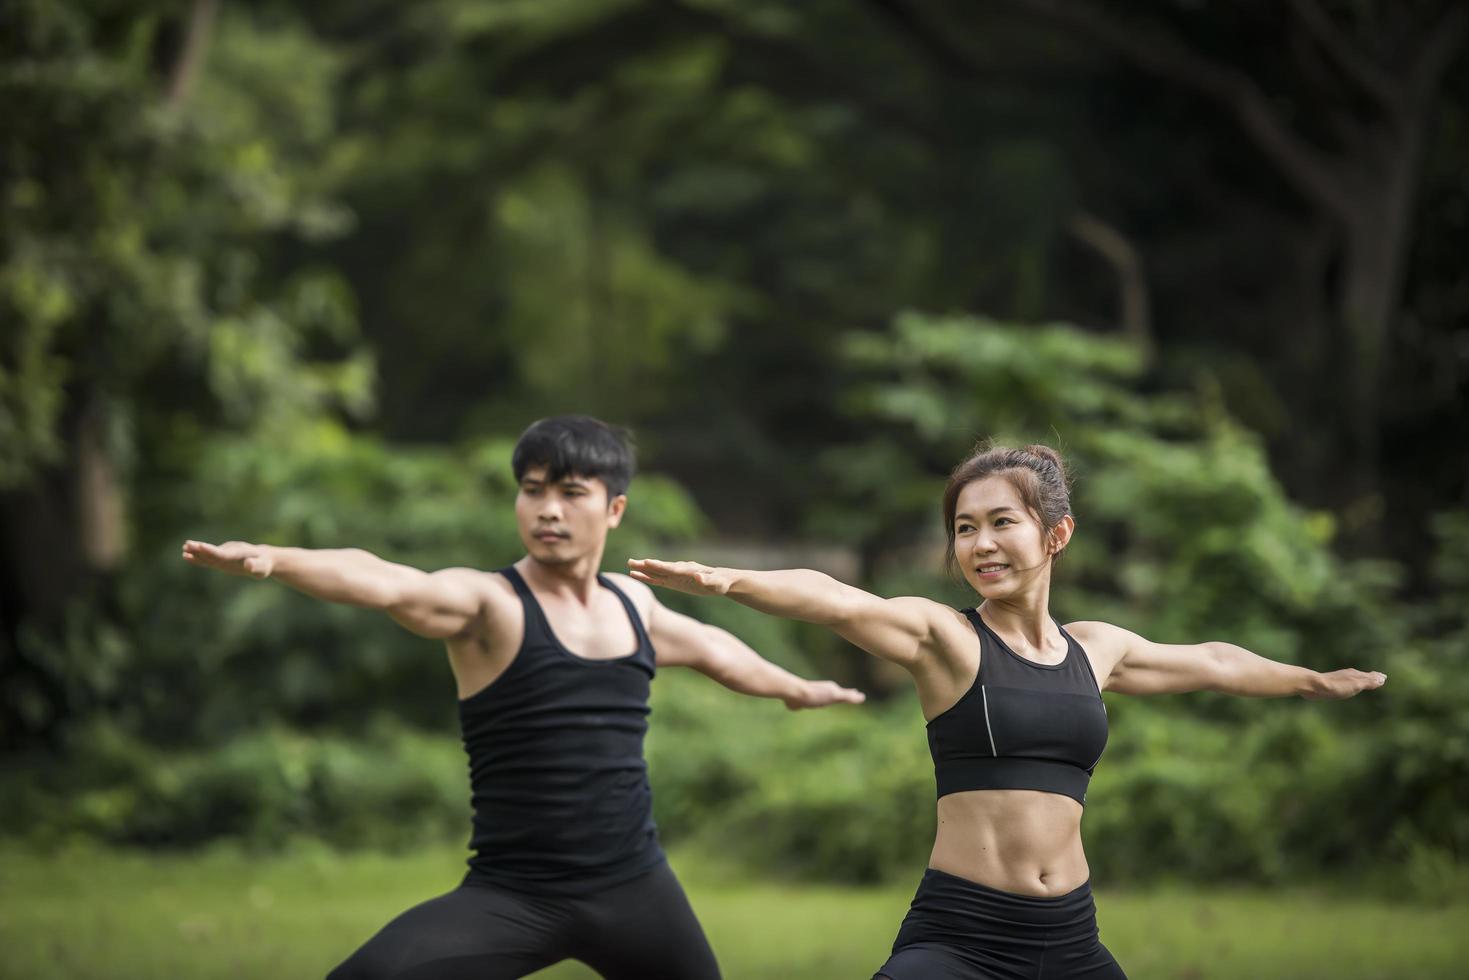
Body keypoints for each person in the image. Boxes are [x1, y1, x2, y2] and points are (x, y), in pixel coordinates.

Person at [628, 442, 1386, 980]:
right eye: (964, 528)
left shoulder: (1096, 650)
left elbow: (1216, 661)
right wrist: (728, 580)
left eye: (1000, 523)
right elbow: (836, 600)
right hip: (960, 937)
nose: (980, 544)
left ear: (1054, 535)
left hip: (1071, 938)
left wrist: (1310, 681)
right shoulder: (947, 643)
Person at [182, 415, 864, 980]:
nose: (547, 509)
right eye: (532, 490)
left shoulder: (634, 604)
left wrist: (795, 689)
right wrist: (276, 557)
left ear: (614, 508)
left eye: (570, 492)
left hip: (635, 886)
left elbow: (717, 652)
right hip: (515, 893)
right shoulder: (489, 604)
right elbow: (387, 580)